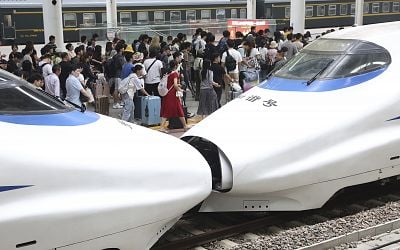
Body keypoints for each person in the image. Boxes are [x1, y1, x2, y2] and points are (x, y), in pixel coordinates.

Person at [159, 60, 188, 132]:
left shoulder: (168, 73)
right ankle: (184, 126)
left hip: (167, 94)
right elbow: (175, 84)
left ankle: (162, 127)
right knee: (179, 110)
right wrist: (180, 89)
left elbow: (170, 84)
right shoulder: (175, 73)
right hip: (173, 95)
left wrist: (177, 86)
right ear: (175, 66)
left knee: (166, 111)